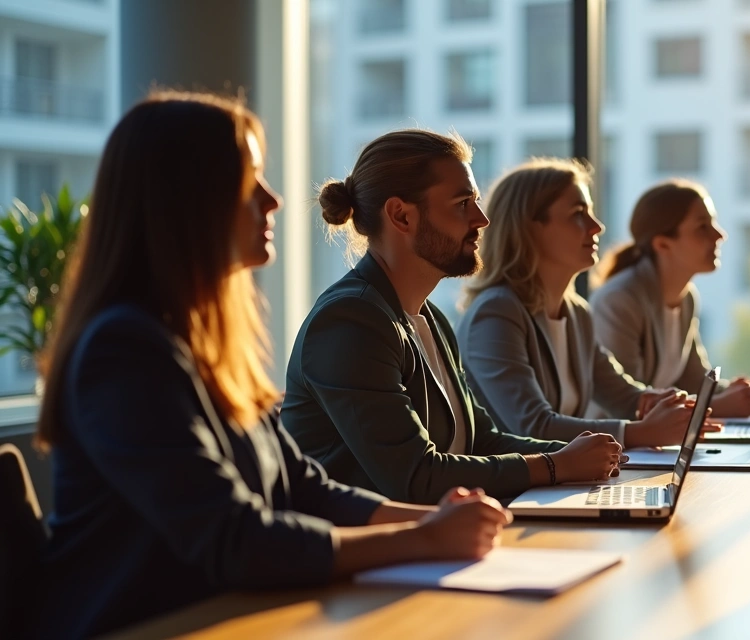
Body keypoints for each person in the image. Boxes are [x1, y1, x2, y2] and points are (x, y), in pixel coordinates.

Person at [28, 94, 510, 639]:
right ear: (182, 199)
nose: (274, 199)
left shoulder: (205, 347)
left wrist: (435, 521)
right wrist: (424, 540)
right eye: (248, 177)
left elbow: (307, 490)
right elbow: (234, 538)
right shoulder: (122, 351)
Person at [281, 131, 623, 505]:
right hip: (367, 555)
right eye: (463, 203)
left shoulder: (430, 318)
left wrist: (584, 454)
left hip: (434, 540)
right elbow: (415, 476)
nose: (482, 219)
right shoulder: (350, 322)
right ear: (401, 216)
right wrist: (556, 465)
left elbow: (481, 440)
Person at [457, 159, 702, 446]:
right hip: (506, 490)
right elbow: (532, 426)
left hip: (555, 483)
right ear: (529, 228)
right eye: (578, 213)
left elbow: (622, 395)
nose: (596, 227)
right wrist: (641, 432)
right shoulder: (496, 313)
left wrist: (666, 404)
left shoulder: (576, 313)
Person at [589, 179, 750, 417]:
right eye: (702, 227)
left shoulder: (685, 298)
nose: (719, 235)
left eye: (713, 223)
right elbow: (628, 403)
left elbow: (696, 383)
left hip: (654, 448)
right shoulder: (619, 301)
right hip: (618, 447)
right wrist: (718, 406)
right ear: (663, 244)